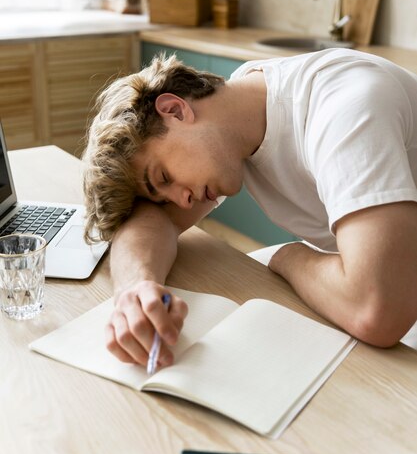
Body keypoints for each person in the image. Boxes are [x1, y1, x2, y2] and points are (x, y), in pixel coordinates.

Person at [83, 48, 417, 367]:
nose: (180, 201)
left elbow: (376, 311)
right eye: (162, 195)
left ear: (174, 110)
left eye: (164, 177)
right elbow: (153, 222)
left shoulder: (344, 111)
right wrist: (135, 289)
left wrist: (289, 256)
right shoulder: (239, 111)